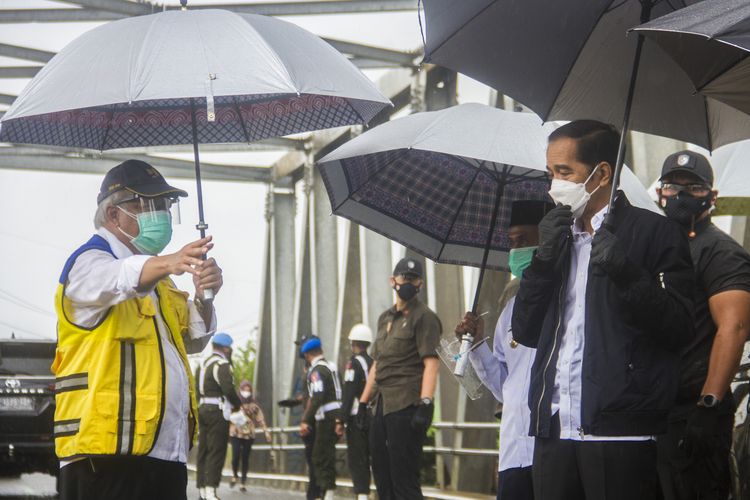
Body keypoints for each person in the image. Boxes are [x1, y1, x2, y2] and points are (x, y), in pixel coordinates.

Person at [511, 120, 695, 500]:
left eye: (565, 172)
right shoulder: (556, 240)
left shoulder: (655, 233)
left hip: (620, 428)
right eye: (551, 173)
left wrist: (627, 273)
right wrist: (543, 261)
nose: (554, 184)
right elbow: (525, 331)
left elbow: (679, 328)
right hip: (554, 426)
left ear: (601, 173)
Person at [52, 159, 222, 500]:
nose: (159, 214)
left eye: (165, 206)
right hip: (106, 455)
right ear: (114, 215)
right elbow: (121, 278)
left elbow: (193, 338)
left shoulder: (160, 282)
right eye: (147, 205)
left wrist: (205, 295)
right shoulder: (88, 264)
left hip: (163, 453)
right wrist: (171, 261)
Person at [655, 150, 750, 500]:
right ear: (658, 193)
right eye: (672, 186)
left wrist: (708, 405)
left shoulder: (721, 252)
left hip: (693, 414)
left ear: (712, 196)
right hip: (652, 413)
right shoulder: (657, 246)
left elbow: (734, 328)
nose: (680, 196)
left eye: (693, 188)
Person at [455, 200, 553, 500]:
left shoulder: (565, 301)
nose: (516, 252)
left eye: (523, 241)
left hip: (552, 450)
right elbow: (504, 388)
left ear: (545, 240)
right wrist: (477, 345)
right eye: (511, 243)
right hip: (514, 450)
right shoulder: (510, 309)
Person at [357, 258, 442, 500]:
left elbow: (431, 362)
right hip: (382, 406)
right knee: (382, 478)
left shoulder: (424, 317)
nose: (408, 282)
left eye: (413, 279)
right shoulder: (385, 319)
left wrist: (426, 402)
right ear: (392, 281)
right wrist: (363, 403)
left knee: (404, 480)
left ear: (421, 284)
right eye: (404, 277)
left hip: (406, 404)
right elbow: (377, 364)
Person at [196, 333, 242, 500]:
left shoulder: (202, 364)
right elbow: (228, 390)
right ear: (225, 348)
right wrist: (238, 405)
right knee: (217, 450)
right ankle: (211, 490)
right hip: (217, 411)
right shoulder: (222, 365)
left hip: (202, 408)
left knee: (204, 449)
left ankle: (202, 489)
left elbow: (196, 389)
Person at [299, 336, 343, 500]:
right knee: (326, 455)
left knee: (320, 457)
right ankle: (326, 492)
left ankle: (327, 493)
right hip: (335, 416)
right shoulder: (331, 367)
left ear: (307, 355)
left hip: (325, 418)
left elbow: (317, 396)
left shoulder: (316, 371)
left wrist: (306, 420)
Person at [339, 323, 374, 500]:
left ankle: (362, 494)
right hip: (373, 415)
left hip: (357, 416)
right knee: (373, 455)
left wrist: (341, 420)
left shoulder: (353, 363)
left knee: (357, 456)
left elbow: (349, 392)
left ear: (353, 343)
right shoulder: (373, 362)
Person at [228, 381, 272, 493]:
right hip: (236, 432)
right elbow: (227, 414)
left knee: (245, 457)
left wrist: (266, 432)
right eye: (244, 390)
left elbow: (260, 418)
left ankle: (243, 482)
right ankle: (234, 475)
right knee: (236, 455)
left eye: (248, 390)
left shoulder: (254, 405)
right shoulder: (234, 403)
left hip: (249, 434)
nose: (246, 392)